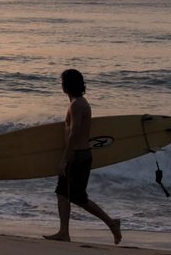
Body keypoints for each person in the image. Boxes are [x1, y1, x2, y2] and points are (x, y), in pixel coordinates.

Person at [43, 69, 121, 245]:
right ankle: (64, 232)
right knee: (62, 194)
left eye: (63, 81)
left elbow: (75, 133)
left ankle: (111, 223)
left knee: (78, 198)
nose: (61, 84)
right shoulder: (78, 103)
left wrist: (65, 158)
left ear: (69, 84)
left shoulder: (77, 104)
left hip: (77, 156)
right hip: (79, 155)